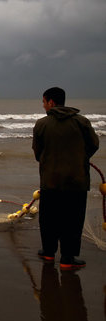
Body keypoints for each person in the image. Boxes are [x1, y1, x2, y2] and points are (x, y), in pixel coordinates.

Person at [32, 87, 99, 270]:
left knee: (48, 218)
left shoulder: (41, 124)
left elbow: (37, 153)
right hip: (76, 181)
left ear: (51, 102)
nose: (43, 105)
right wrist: (80, 158)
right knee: (73, 219)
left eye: (44, 102)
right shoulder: (82, 122)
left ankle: (48, 252)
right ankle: (67, 259)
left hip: (50, 180)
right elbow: (94, 145)